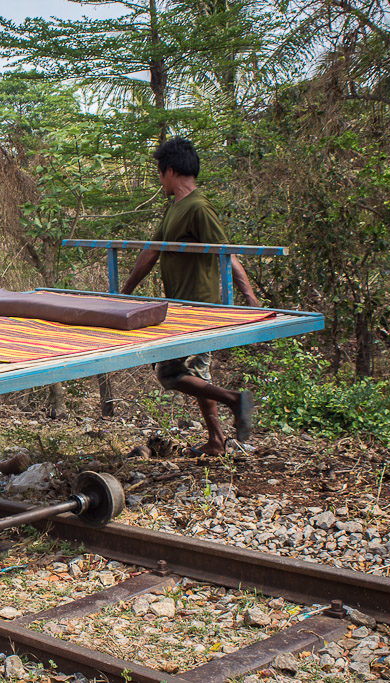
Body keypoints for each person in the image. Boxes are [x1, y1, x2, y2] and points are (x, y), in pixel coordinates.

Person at [121, 137, 259, 456]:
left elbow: (227, 254)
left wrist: (249, 295)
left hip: (200, 308)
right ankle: (216, 441)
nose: (160, 180)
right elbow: (151, 251)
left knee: (169, 372)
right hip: (179, 305)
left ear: (170, 170)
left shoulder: (198, 207)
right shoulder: (175, 209)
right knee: (198, 372)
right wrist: (124, 291)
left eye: (160, 173)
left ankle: (235, 400)